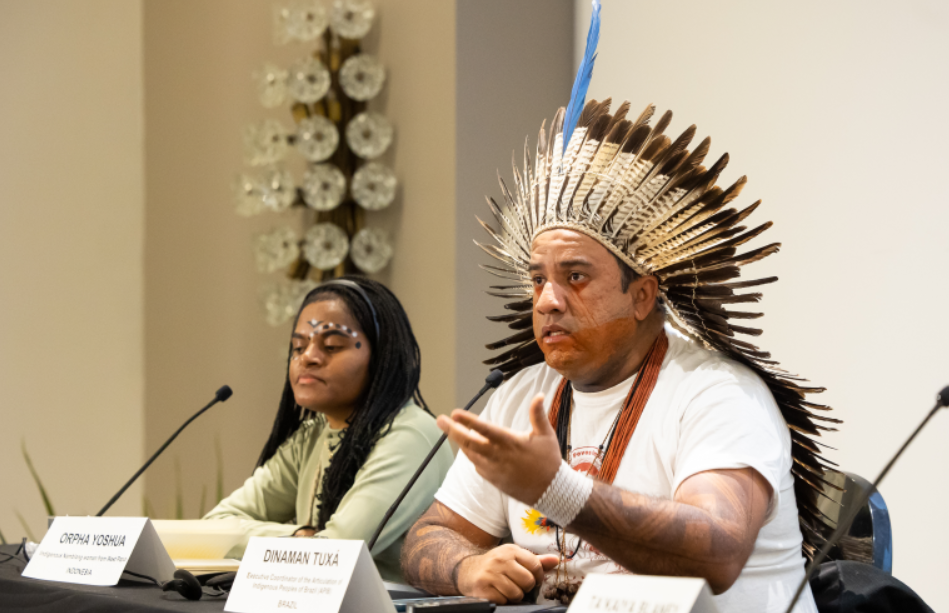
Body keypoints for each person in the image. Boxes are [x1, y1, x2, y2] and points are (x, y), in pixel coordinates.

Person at [399, 40, 836, 612]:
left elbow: (718, 552)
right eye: (537, 279)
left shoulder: (719, 395)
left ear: (642, 295)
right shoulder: (521, 396)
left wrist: (557, 489)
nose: (547, 301)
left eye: (575, 276)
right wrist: (467, 566)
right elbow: (427, 537)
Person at [204, 277, 453, 582]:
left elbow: (336, 553)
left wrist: (307, 543)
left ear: (381, 357)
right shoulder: (311, 437)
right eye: (298, 346)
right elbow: (214, 527)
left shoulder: (410, 436)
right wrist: (299, 536)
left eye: (332, 345)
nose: (307, 357)